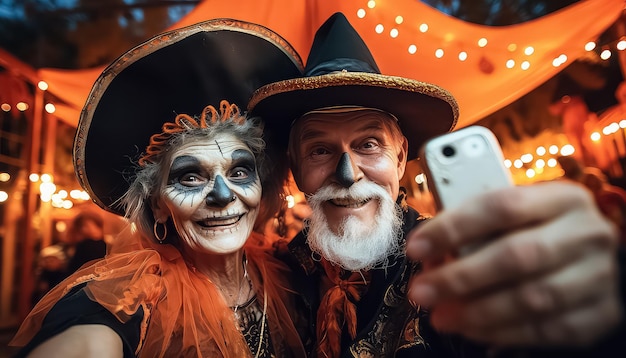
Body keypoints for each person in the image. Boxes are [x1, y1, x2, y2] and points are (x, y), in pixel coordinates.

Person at [248, 12, 624, 357]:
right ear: (296, 170)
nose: (347, 173)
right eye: (319, 150)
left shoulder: (455, 260)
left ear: (399, 158)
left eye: (368, 145)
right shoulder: (274, 278)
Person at [10, 18, 309, 357]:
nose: (223, 196)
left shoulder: (288, 275)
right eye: (191, 177)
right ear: (157, 205)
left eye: (240, 171)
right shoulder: (135, 296)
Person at [581, 166, 626, 245]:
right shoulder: (589, 201)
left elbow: (618, 217)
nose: (593, 183)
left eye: (594, 180)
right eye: (589, 182)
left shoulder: (614, 194)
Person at [65, 210, 107, 274]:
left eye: (94, 225)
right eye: (84, 226)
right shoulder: (85, 244)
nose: (85, 229)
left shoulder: (89, 244)